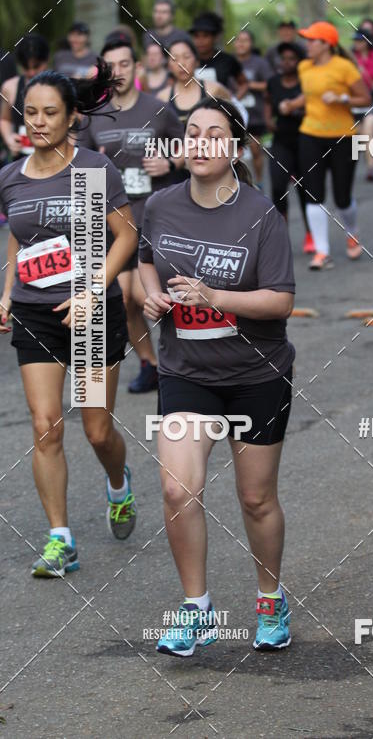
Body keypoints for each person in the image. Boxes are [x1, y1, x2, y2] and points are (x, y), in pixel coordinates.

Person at [138, 96, 295, 656]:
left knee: (255, 499)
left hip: (256, 372)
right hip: (188, 371)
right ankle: (196, 609)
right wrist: (152, 296)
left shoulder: (262, 214)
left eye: (213, 134)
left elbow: (280, 302)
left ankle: (270, 600)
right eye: (192, 133)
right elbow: (145, 261)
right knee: (176, 488)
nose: (200, 143)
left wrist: (214, 297)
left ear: (235, 149)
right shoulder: (160, 205)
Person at [0, 63, 139, 577]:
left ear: (72, 116)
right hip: (35, 313)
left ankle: (119, 484)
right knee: (45, 426)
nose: (38, 122)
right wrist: (7, 292)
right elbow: (20, 236)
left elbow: (126, 236)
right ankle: (61, 539)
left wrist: (92, 290)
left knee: (97, 430)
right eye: (30, 112)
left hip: (92, 314)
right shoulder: (10, 177)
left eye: (50, 113)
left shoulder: (93, 170)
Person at [77, 37, 182, 394]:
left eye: (125, 64)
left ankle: (177, 362)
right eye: (111, 67)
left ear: (137, 67)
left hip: (155, 217)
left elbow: (189, 148)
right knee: (123, 299)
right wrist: (96, 165)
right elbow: (79, 168)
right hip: (115, 223)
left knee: (144, 295)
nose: (118, 72)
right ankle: (150, 364)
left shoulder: (159, 109)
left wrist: (170, 163)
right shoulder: (94, 116)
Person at [290, 21, 370, 270]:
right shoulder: (304, 67)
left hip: (343, 138)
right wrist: (292, 104)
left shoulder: (344, 67)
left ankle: (352, 231)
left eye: (312, 40)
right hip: (310, 134)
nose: (307, 45)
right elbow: (309, 95)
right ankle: (322, 252)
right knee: (313, 194)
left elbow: (365, 98)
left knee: (342, 197)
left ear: (326, 44)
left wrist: (341, 98)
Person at [265, 41, 314, 254]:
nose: (286, 62)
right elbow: (268, 101)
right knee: (278, 187)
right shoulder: (274, 82)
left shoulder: (307, 82)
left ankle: (311, 233)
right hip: (281, 141)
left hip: (305, 140)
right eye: (283, 59)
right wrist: (268, 119)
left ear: (299, 61)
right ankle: (280, 234)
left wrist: (296, 110)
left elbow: (314, 107)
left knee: (305, 190)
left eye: (291, 59)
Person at [157, 34, 231, 126]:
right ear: (169, 66)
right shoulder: (163, 97)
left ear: (197, 61)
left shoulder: (214, 90)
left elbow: (231, 122)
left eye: (186, 57)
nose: (181, 64)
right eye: (174, 59)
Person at [233, 29, 273, 188]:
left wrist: (249, 85)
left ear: (251, 43)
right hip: (233, 114)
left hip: (254, 114)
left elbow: (271, 84)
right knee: (233, 152)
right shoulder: (229, 62)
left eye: (245, 40)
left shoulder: (259, 63)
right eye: (238, 40)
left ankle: (259, 181)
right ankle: (236, 184)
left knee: (255, 149)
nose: (241, 44)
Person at [1, 33, 50, 159]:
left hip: (53, 159)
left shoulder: (61, 88)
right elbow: (4, 119)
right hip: (22, 159)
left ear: (47, 60)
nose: (31, 72)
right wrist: (9, 138)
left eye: (36, 66)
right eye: (26, 67)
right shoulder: (10, 87)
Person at [188, 12, 247, 95]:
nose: (200, 41)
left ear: (216, 37)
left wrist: (234, 100)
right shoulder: (187, 61)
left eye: (205, 36)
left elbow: (244, 83)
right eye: (196, 36)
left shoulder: (227, 60)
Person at [350, 31, 373, 182]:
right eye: (355, 41)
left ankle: (371, 168)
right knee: (361, 135)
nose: (357, 44)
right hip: (354, 102)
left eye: (361, 41)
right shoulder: (350, 58)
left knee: (369, 130)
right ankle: (372, 155)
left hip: (372, 101)